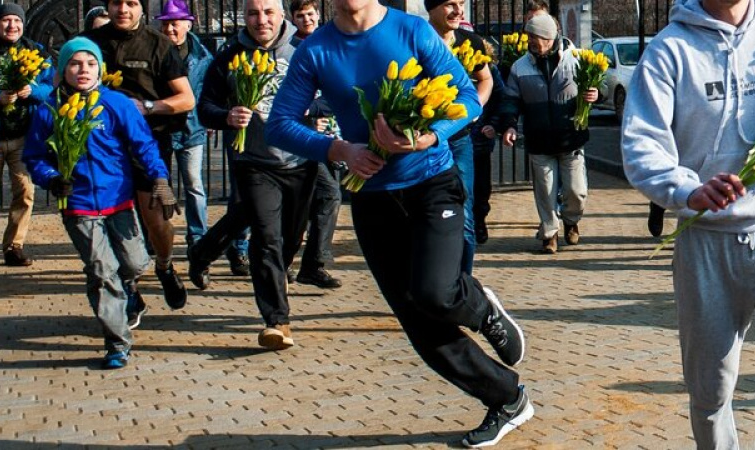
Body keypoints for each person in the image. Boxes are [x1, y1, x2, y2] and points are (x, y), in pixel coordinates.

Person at [266, 1, 532, 447]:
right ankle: (507, 398)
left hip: (432, 182)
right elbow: (279, 125)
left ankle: (480, 306)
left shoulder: (411, 30)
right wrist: (340, 150)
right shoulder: (315, 50)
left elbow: (467, 97)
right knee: (416, 319)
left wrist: (431, 135)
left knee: (435, 291)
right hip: (372, 198)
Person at [621, 0, 755, 447]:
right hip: (706, 240)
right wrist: (687, 191)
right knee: (710, 390)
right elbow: (642, 147)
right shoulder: (669, 51)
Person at [23, 37, 173, 369]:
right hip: (77, 204)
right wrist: (51, 177)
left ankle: (130, 290)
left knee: (133, 265)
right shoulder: (49, 108)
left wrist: (160, 179)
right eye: (75, 64)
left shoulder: (116, 103)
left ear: (101, 70)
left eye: (91, 63)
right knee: (102, 271)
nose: (83, 70)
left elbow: (145, 145)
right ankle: (117, 342)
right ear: (62, 70)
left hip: (118, 200)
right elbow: (33, 157)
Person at [188, 0, 317, 351]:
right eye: (253, 13)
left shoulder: (306, 50)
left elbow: (334, 96)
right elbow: (206, 107)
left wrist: (314, 109)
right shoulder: (230, 55)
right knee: (266, 239)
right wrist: (227, 115)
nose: (261, 20)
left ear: (282, 16)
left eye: (268, 12)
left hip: (300, 160)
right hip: (253, 162)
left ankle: (202, 253)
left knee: (289, 239)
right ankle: (277, 321)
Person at [84, 0, 195, 312]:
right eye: (117, 2)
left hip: (149, 146)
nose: (123, 9)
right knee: (109, 221)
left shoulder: (159, 45)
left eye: (131, 3)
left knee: (156, 221)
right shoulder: (90, 43)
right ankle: (128, 286)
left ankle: (165, 265)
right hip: (102, 150)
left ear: (141, 8)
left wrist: (147, 107)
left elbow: (186, 100)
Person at [499, 15, 596, 254]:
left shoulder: (576, 61)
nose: (530, 41)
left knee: (576, 191)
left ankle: (571, 220)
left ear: (549, 37)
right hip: (539, 140)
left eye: (534, 36)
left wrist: (596, 95)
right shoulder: (520, 66)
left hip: (570, 137)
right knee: (545, 191)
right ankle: (550, 233)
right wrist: (509, 125)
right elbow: (511, 99)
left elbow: (596, 90)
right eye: (529, 36)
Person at [426, 0, 493, 274]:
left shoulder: (470, 42)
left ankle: (461, 284)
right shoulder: (417, 39)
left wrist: (473, 108)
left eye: (461, 4)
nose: (458, 11)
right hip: (424, 141)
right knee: (426, 212)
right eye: (450, 4)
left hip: (459, 141)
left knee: (464, 209)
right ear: (431, 8)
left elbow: (486, 79)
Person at [286, 0, 343, 289]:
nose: (307, 18)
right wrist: (310, 111)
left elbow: (340, 89)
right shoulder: (290, 48)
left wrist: (318, 109)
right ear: (293, 19)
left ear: (318, 15)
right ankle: (309, 263)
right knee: (327, 195)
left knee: (319, 197)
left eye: (310, 13)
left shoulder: (331, 43)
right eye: (300, 15)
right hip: (302, 136)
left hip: (332, 133)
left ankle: (301, 263)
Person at [0, 3, 54, 267]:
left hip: (22, 136)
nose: (12, 26)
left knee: (25, 191)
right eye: (6, 20)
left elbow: (50, 87)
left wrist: (33, 92)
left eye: (16, 21)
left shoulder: (36, 52)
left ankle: (13, 246)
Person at [156, 0, 212, 250]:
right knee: (159, 187)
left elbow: (209, 91)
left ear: (188, 24)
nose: (169, 29)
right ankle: (157, 236)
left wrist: (209, 117)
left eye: (174, 24)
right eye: (166, 24)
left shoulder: (203, 56)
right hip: (160, 130)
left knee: (194, 185)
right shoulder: (155, 52)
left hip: (193, 129)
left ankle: (197, 237)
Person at [472, 45, 504, 245]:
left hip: (480, 139)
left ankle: (479, 221)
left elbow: (501, 98)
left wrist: (494, 124)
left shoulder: (488, 70)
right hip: (451, 140)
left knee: (481, 185)